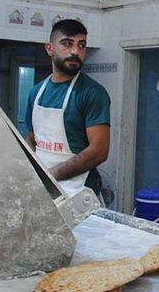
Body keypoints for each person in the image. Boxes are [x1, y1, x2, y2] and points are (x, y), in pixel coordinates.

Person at [26, 19, 111, 196]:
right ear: (49, 48)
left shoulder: (92, 93)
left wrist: (52, 175)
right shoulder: (36, 92)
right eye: (67, 44)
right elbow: (32, 139)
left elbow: (99, 151)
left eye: (82, 45)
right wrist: (31, 175)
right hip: (44, 189)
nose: (75, 51)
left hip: (79, 192)